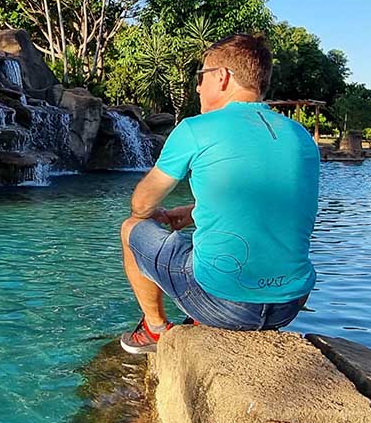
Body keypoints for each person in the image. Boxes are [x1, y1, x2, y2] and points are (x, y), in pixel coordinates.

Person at [118, 32, 320, 354]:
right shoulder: (300, 135)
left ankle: (154, 329)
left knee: (131, 228)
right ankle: (199, 318)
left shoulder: (195, 129)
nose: (198, 87)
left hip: (222, 303)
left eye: (201, 76)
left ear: (222, 77)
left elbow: (141, 204)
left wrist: (146, 214)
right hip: (289, 303)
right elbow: (274, 205)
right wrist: (196, 211)